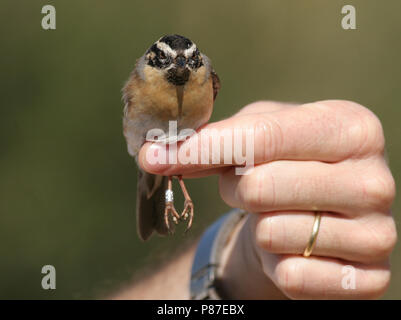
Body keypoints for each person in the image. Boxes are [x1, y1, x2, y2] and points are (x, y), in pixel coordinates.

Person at [114, 100, 397, 299]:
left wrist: (244, 256)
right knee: (164, 166)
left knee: (174, 165)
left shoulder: (203, 80)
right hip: (154, 165)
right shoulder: (142, 86)